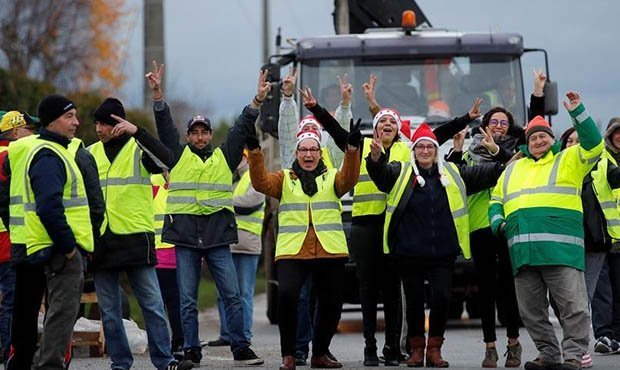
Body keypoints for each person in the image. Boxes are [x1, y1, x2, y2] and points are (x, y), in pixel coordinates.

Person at [304, 74, 483, 366]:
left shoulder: (407, 150)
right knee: (367, 290)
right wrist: (316, 109)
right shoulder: (360, 145)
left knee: (393, 291)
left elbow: (437, 136)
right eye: (381, 122)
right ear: (374, 128)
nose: (386, 125)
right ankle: (370, 348)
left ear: (398, 130)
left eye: (392, 123)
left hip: (392, 228)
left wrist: (466, 118)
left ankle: (392, 349)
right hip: (363, 226)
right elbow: (336, 132)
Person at [146, 60, 264, 368]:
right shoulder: (176, 155)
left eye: (204, 132)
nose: (199, 137)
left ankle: (240, 347)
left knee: (232, 295)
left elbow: (240, 128)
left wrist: (257, 102)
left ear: (210, 135)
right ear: (188, 136)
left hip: (216, 237)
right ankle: (191, 349)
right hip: (185, 238)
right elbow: (164, 127)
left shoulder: (224, 157)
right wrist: (158, 96)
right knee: (187, 301)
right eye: (194, 132)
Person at [366, 122, 504, 368]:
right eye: (421, 147)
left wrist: (506, 159)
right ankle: (417, 349)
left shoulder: (452, 172)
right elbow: (379, 174)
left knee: (441, 299)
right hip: (409, 252)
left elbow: (489, 173)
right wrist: (375, 157)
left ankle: (435, 350)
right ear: (414, 150)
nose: (426, 151)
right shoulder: (400, 172)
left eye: (430, 146)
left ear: (436, 150)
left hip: (443, 252)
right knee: (415, 301)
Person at [442, 69, 548, 368]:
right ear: (485, 126)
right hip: (480, 226)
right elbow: (464, 178)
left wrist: (538, 92)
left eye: (504, 122)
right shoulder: (472, 153)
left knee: (510, 288)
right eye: (494, 122)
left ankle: (514, 344)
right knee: (486, 288)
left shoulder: (522, 151)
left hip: (510, 225)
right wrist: (476, 153)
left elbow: (538, 129)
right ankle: (490, 346)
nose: (499, 126)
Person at [489, 92, 602, 370]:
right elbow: (496, 200)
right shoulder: (513, 168)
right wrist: (498, 224)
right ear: (527, 142)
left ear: (553, 139)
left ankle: (574, 355)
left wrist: (578, 111)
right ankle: (549, 354)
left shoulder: (569, 159)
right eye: (533, 137)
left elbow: (595, 144)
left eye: (543, 137)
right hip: (524, 254)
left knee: (573, 308)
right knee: (531, 312)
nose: (538, 141)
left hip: (561, 251)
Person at [247, 117, 361, 369]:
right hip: (293, 250)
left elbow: (350, 180)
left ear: (320, 153)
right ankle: (289, 354)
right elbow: (260, 183)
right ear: (296, 152)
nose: (308, 154)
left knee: (332, 304)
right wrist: (255, 153)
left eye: (312, 150)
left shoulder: (333, 177)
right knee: (287, 297)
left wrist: (352, 151)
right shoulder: (284, 178)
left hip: (329, 249)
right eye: (303, 150)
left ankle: (319, 353)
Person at [87, 97, 180, 370]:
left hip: (136, 240)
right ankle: (120, 363)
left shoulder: (138, 149)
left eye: (104, 123)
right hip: (102, 242)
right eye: (96, 123)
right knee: (110, 312)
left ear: (118, 124)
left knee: (152, 305)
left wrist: (137, 131)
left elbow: (168, 160)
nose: (98, 129)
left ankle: (164, 360)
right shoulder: (89, 153)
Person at [21, 95, 94, 369]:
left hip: (60, 250)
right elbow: (49, 207)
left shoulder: (58, 151)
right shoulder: (49, 156)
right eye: (69, 116)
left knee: (61, 316)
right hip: (61, 251)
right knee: (61, 318)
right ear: (51, 121)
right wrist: (69, 247)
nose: (76, 122)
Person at [210, 151, 265, 347]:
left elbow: (251, 202)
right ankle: (227, 334)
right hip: (227, 242)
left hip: (248, 244)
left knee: (244, 293)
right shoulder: (229, 178)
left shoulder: (255, 176)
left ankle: (244, 335)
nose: (237, 160)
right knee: (223, 292)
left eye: (241, 157)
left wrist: (223, 202)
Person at [0, 111, 36, 363]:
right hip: (7, 239)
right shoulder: (14, 155)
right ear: (15, 133)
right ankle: (6, 352)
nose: (32, 134)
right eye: (28, 129)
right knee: (11, 300)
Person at [152, 172, 185, 361]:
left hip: (177, 251)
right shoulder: (154, 181)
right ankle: (169, 343)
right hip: (158, 251)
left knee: (175, 301)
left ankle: (178, 342)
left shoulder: (181, 184)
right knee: (163, 301)